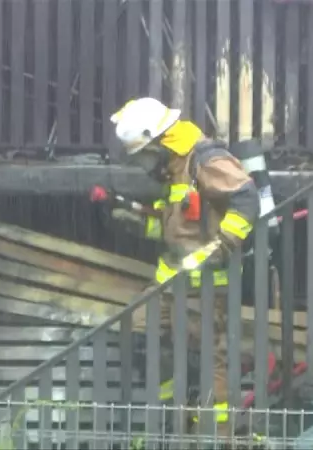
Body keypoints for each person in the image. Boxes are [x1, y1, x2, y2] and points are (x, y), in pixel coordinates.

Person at [106, 97, 259, 436]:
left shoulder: (205, 160)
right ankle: (171, 421)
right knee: (139, 330)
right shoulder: (176, 167)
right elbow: (177, 226)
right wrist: (137, 223)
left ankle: (218, 435)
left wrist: (220, 246)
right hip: (171, 280)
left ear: (160, 141)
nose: (146, 165)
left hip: (207, 284)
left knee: (210, 358)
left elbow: (248, 200)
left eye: (145, 155)